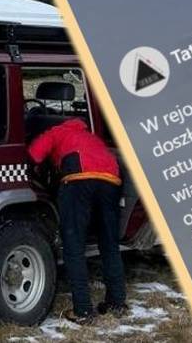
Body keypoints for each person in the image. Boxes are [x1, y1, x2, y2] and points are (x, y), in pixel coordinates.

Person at [27, 118, 127, 323]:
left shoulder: (57, 132)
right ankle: (117, 303)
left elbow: (34, 154)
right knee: (109, 244)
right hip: (112, 180)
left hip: (79, 180)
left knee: (74, 246)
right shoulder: (90, 136)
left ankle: (83, 311)